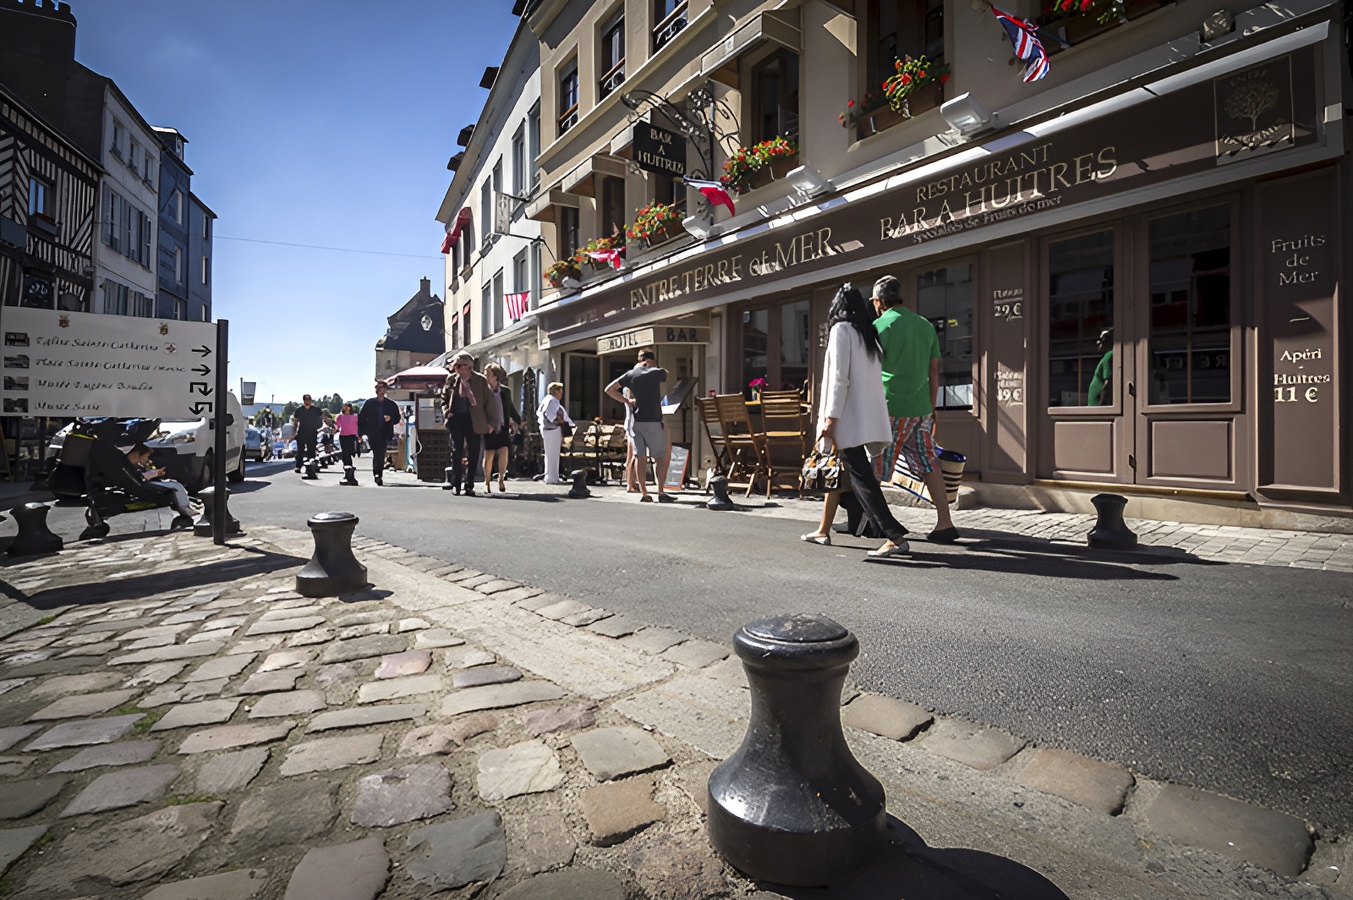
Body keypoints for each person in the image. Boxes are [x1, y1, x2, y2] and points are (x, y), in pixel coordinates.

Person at [800, 284, 911, 558]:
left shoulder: (841, 331)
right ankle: (824, 530)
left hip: (845, 420)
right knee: (842, 473)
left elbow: (839, 378)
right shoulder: (868, 334)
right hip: (862, 419)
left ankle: (892, 535)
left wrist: (830, 417)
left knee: (860, 477)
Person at [872, 274, 958, 543]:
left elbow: (869, 370)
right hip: (920, 406)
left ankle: (874, 522)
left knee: (874, 465)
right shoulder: (924, 325)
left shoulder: (877, 326)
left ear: (878, 301)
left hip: (890, 405)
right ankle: (945, 522)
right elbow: (934, 370)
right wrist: (932, 407)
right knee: (928, 461)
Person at [604, 348, 672, 503]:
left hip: (635, 421)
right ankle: (661, 492)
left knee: (639, 456)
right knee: (660, 457)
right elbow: (666, 374)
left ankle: (644, 492)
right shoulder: (655, 372)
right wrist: (652, 367)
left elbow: (609, 389)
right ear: (649, 361)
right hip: (653, 420)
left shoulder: (629, 375)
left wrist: (626, 401)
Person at [440, 351, 497, 496]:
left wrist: (491, 421)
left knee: (474, 453)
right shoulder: (452, 380)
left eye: (459, 365)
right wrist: (447, 412)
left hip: (475, 420)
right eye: (456, 366)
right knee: (456, 452)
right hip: (456, 419)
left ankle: (469, 484)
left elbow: (489, 402)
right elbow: (443, 398)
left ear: (468, 366)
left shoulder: (480, 380)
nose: (457, 368)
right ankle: (456, 484)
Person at [126, 443, 193, 528]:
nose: (147, 459)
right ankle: (185, 507)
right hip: (146, 484)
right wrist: (156, 473)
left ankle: (185, 505)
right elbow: (144, 476)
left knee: (174, 484)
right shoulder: (132, 467)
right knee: (176, 486)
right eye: (146, 456)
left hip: (145, 483)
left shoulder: (133, 466)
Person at [482, 363, 521, 493]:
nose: (485, 375)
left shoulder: (505, 391)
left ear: (494, 376)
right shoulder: (484, 391)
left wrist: (519, 421)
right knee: (489, 454)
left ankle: (501, 479)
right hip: (489, 426)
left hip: (503, 426)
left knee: (504, 452)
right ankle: (487, 482)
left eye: (487, 373)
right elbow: (480, 410)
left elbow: (510, 407)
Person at [358, 382, 402, 486]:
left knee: (380, 454)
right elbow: (362, 418)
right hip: (372, 432)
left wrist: (390, 418)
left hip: (384, 432)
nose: (383, 390)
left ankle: (378, 475)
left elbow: (397, 418)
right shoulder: (369, 403)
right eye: (381, 388)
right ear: (377, 389)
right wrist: (360, 433)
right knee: (376, 453)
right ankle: (376, 473)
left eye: (384, 388)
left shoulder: (391, 404)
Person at [537, 381, 573, 484]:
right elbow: (551, 416)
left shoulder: (547, 400)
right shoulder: (552, 401)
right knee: (553, 454)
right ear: (556, 391)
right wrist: (561, 420)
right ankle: (552, 478)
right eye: (560, 392)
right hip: (553, 430)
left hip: (548, 430)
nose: (561, 394)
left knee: (550, 454)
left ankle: (550, 476)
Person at [291, 394, 324, 473]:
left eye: (309, 400)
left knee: (311, 450)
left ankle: (312, 465)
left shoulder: (316, 409)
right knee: (300, 450)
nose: (308, 401)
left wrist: (330, 424)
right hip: (302, 431)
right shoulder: (299, 410)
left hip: (312, 432)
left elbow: (323, 417)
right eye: (307, 400)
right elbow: (295, 422)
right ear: (304, 401)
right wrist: (293, 433)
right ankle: (298, 466)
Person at [1088, 328, 1113, 406]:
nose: (1098, 342)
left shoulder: (1108, 356)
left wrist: (1101, 404)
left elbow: (1107, 383)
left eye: (1101, 340)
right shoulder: (1107, 356)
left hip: (1098, 407)